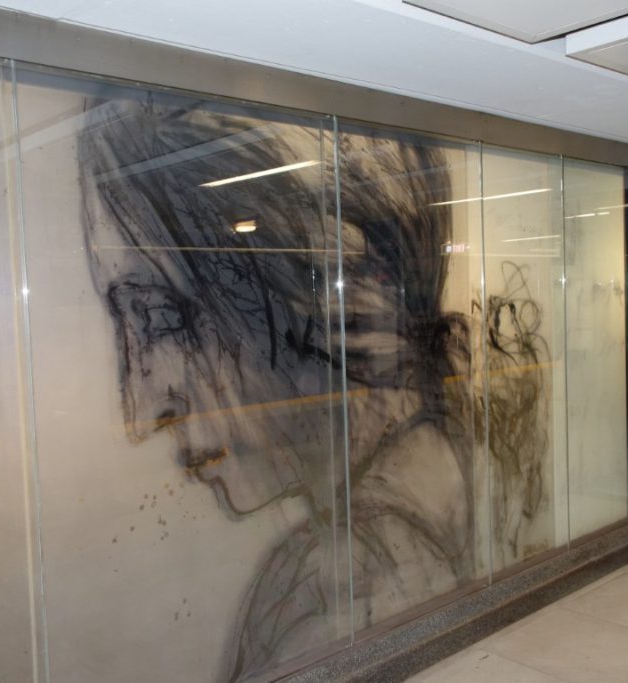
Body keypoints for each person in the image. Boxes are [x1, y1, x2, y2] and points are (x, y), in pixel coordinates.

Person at [78, 93, 549, 682]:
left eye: (162, 318)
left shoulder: (334, 596)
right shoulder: (453, 470)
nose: (142, 410)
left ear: (338, 303)